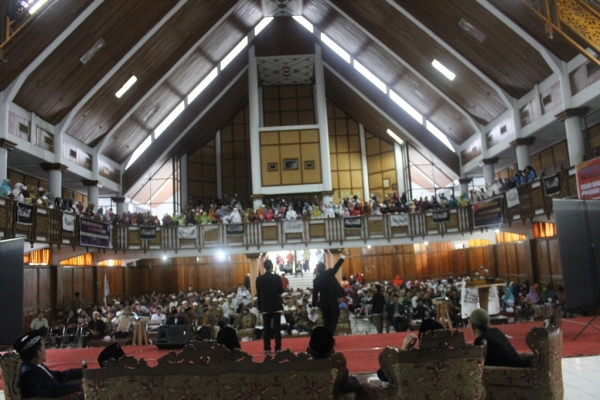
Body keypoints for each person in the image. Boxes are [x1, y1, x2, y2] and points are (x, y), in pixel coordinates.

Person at [13, 331, 83, 399]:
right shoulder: (29, 373)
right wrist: (78, 387)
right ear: (38, 352)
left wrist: (82, 372)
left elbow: (58, 376)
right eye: (44, 347)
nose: (45, 351)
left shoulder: (35, 366)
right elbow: (51, 389)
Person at [377, 319, 444, 382]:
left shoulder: (413, 360)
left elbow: (383, 375)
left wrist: (403, 352)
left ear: (420, 340)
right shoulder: (447, 358)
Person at [307, 327, 361, 395]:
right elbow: (355, 386)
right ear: (332, 351)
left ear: (308, 350)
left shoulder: (298, 371)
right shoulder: (339, 372)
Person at [312, 251, 348, 334]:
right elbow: (337, 265)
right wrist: (343, 256)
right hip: (333, 301)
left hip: (323, 303)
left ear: (317, 271)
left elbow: (315, 294)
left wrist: (313, 305)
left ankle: (327, 335)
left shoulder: (316, 280)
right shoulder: (330, 273)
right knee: (334, 319)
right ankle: (330, 334)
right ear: (325, 268)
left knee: (326, 321)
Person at [255, 259, 284, 355]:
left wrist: (260, 307)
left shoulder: (259, 279)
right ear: (271, 266)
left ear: (264, 267)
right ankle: (278, 348)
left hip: (265, 306)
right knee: (277, 329)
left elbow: (259, 294)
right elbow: (280, 291)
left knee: (266, 329)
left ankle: (267, 349)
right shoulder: (277, 277)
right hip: (276, 305)